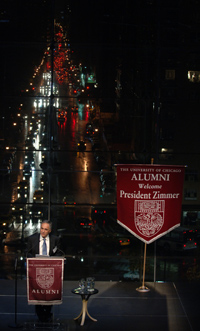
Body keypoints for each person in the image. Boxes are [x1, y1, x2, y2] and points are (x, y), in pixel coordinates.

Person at [27, 220, 62, 323]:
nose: (43, 231)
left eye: (45, 229)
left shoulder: (55, 240)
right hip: (35, 271)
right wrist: (33, 260)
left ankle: (47, 313)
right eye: (42, 228)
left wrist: (52, 260)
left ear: (49, 231)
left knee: (49, 291)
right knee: (38, 292)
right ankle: (40, 315)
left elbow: (59, 253)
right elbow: (27, 253)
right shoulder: (32, 239)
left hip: (51, 271)